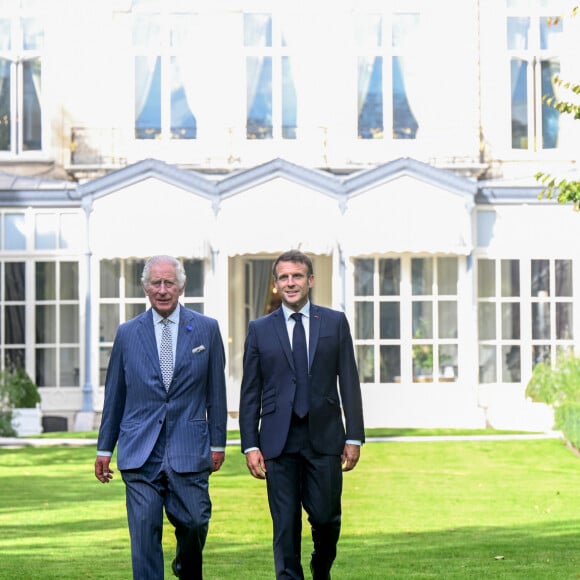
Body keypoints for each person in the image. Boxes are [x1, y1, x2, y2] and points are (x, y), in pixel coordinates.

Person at [94, 255, 228, 580]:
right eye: (157, 283)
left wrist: (218, 442)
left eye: (170, 283)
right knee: (143, 536)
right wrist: (103, 449)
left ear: (182, 286)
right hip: (140, 450)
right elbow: (115, 396)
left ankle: (185, 568)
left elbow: (217, 393)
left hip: (190, 447)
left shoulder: (207, 329)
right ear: (145, 287)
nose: (163, 289)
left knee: (196, 522)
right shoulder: (127, 334)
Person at [239, 249, 365, 579]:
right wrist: (250, 444)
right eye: (284, 277)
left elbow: (349, 382)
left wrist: (354, 436)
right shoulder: (259, 329)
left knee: (326, 519)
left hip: (324, 439)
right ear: (276, 284)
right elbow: (250, 393)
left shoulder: (335, 322)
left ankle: (320, 568)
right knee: (285, 526)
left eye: (297, 276)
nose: (290, 282)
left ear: (310, 280)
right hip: (277, 443)